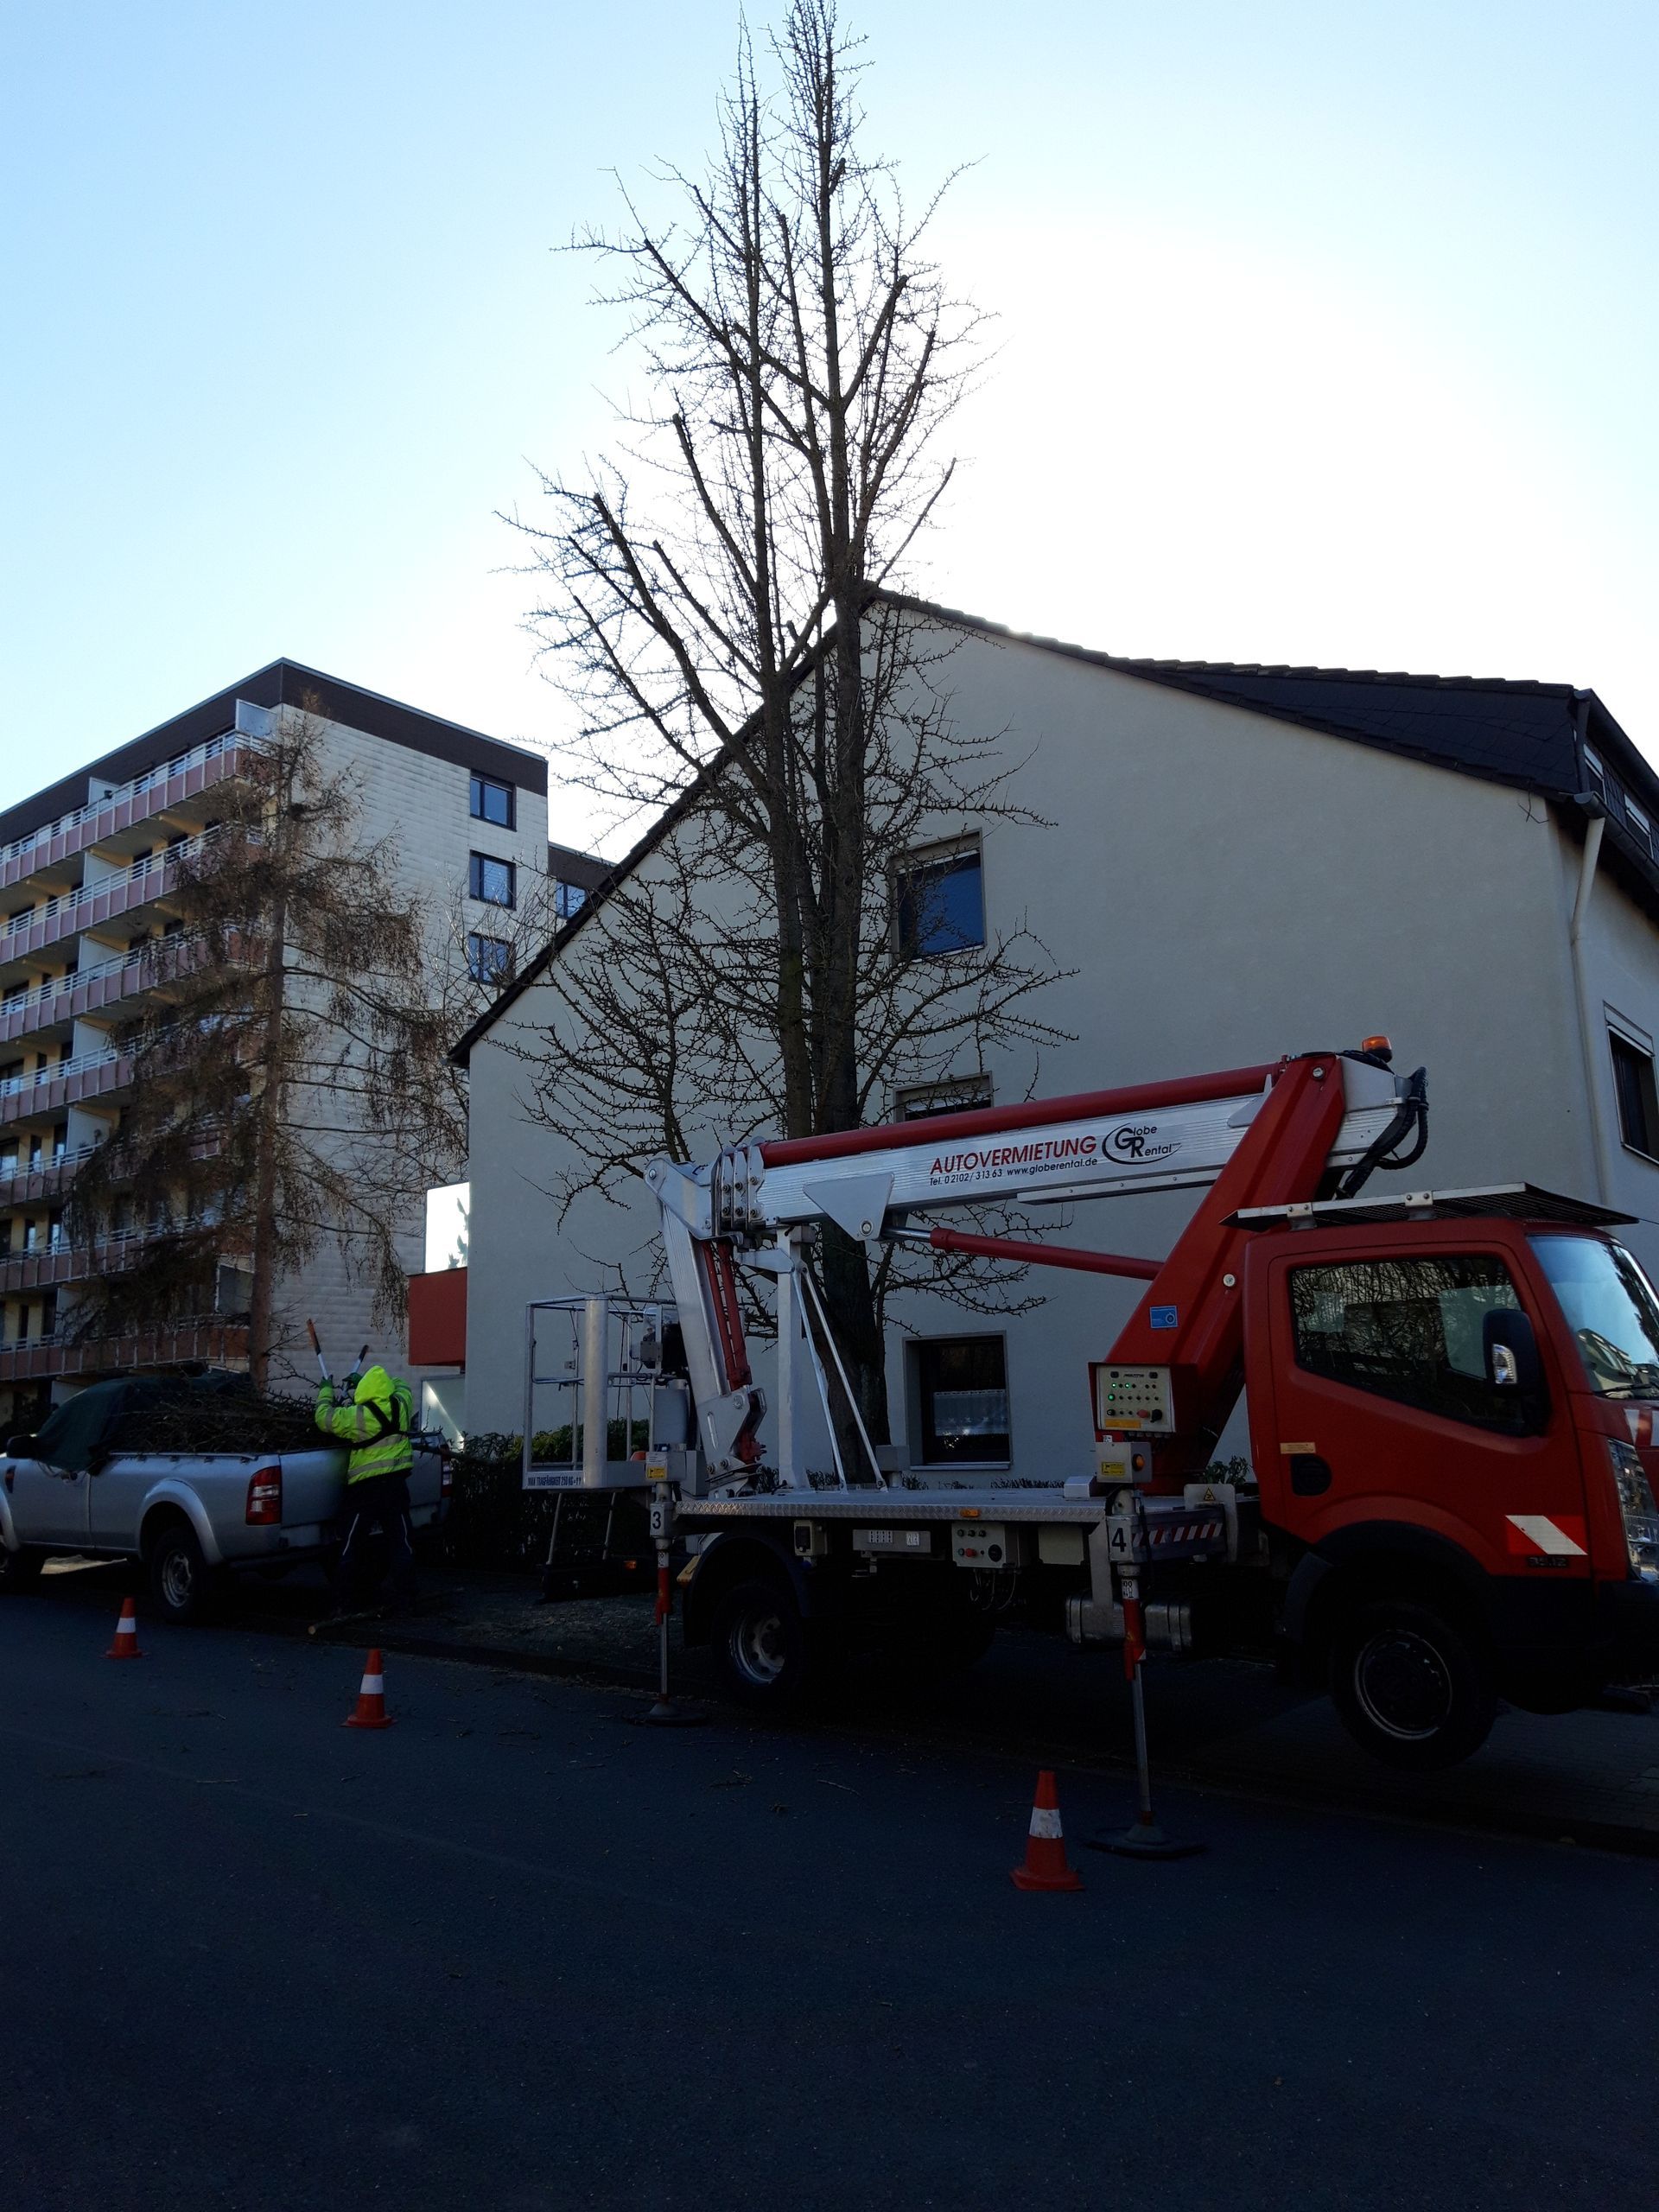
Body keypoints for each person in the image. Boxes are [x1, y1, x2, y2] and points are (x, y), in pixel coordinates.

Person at [317, 1360, 417, 1614]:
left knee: (351, 1543)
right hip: (396, 1486)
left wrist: (326, 1391)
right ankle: (405, 1597)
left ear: (363, 1391)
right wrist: (363, 1377)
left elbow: (323, 1418)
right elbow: (401, 1384)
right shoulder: (402, 1404)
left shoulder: (358, 1416)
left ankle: (342, 1602)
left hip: (366, 1491)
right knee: (401, 1541)